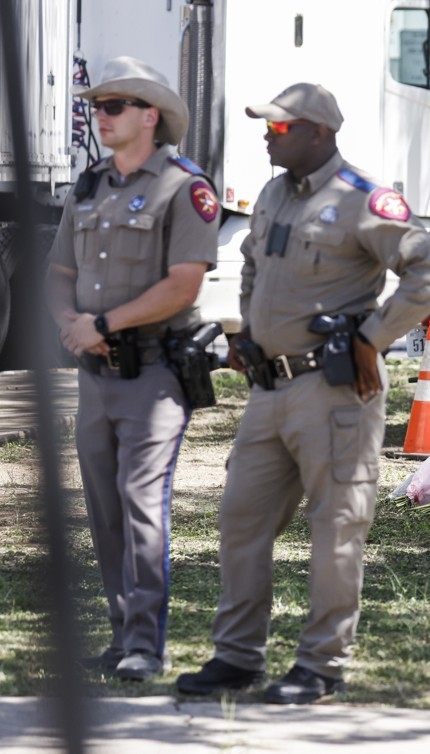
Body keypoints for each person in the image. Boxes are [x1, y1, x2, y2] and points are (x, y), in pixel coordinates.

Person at [176, 83, 430, 704]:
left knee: (336, 528)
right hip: (268, 390)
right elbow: (250, 262)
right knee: (241, 520)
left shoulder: (362, 200)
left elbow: (427, 274)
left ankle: (321, 666)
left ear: (318, 133)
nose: (267, 137)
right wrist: (246, 331)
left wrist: (372, 338)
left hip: (334, 393)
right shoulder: (273, 193)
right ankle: (238, 658)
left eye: (278, 128)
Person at [46, 57, 220, 681]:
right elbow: (59, 273)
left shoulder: (183, 186)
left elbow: (183, 285)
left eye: (114, 106)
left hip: (153, 375)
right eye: (97, 106)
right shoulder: (89, 184)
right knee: (103, 508)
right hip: (94, 377)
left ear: (150, 116)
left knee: (142, 501)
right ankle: (122, 639)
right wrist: (70, 322)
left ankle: (146, 645)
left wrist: (104, 325)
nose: (102, 116)